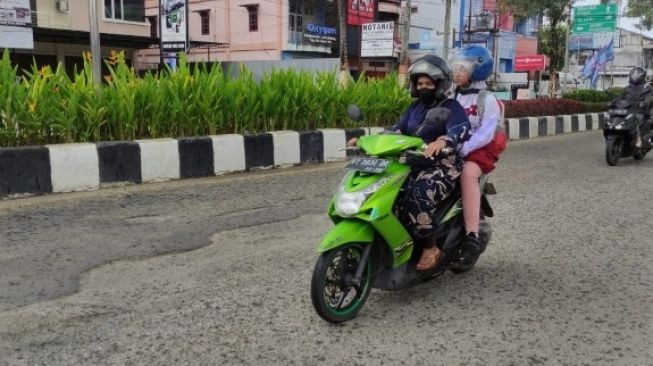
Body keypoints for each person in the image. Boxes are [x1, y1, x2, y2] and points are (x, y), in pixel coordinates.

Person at [348, 54, 470, 271]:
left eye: (428, 83)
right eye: (420, 83)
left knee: (418, 193)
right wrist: (367, 139)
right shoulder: (413, 108)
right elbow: (396, 130)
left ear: (440, 84)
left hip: (442, 165)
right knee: (388, 190)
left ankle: (430, 247)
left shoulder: (451, 106)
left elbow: (460, 129)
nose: (423, 87)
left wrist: (442, 141)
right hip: (414, 161)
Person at [451, 46, 507, 265]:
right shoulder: (452, 95)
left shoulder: (487, 99)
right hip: (453, 146)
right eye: (454, 68)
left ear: (478, 70)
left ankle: (472, 234)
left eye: (461, 69)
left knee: (466, 173)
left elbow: (485, 134)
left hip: (479, 151)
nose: (456, 73)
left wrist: (464, 149)